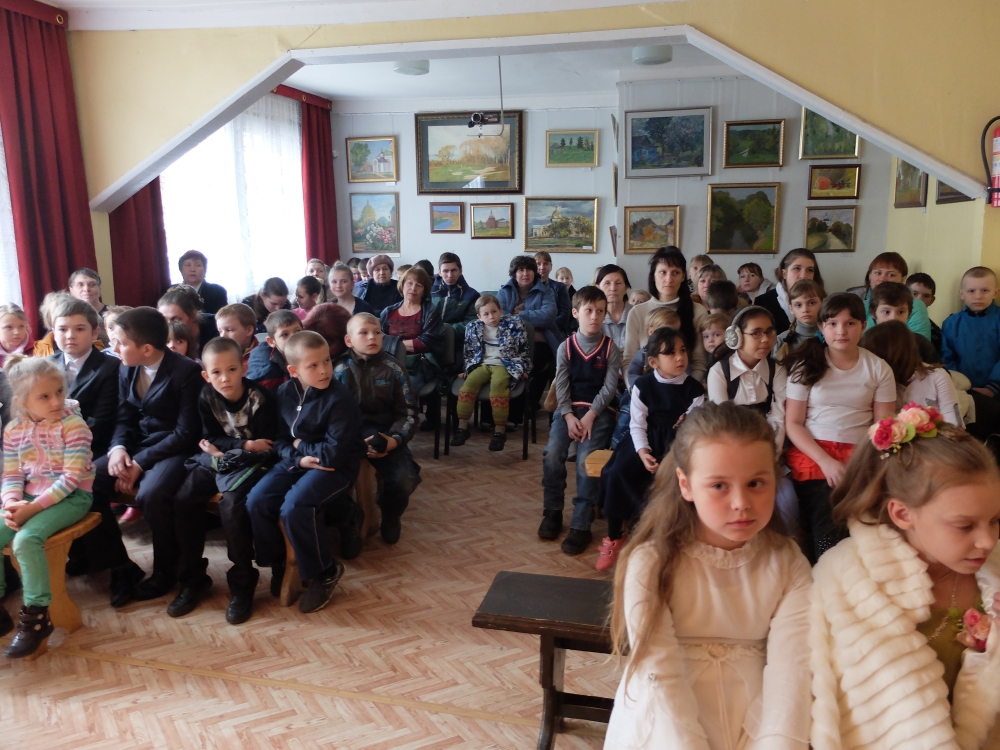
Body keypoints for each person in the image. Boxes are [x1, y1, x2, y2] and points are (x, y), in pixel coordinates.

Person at [605, 403, 811, 750]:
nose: (741, 502)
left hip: (758, 722)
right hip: (666, 725)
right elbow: (659, 671)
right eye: (719, 485)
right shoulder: (652, 562)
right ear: (685, 485)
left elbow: (793, 670)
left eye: (756, 483)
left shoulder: (788, 563)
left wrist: (774, 742)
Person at [811, 408, 1000, 746]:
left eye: (996, 520)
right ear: (902, 514)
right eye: (964, 526)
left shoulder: (994, 569)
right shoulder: (847, 583)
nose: (988, 541)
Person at [245, 331, 366, 614]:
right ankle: (280, 563)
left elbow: (333, 454)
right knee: (256, 500)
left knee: (296, 506)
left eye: (326, 361)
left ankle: (325, 571)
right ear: (293, 370)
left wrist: (300, 445)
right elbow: (278, 440)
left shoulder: (340, 398)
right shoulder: (284, 393)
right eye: (313, 365)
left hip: (335, 466)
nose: (324, 370)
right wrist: (298, 458)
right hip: (297, 462)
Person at [95, 307, 207, 612]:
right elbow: (124, 417)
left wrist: (139, 463)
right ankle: (120, 565)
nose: (114, 347)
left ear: (146, 349)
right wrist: (118, 449)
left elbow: (186, 433)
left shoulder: (185, 372)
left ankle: (167, 573)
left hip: (175, 449)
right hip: (136, 445)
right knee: (87, 481)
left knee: (152, 494)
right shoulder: (126, 367)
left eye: (121, 343)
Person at [783, 293, 896, 563]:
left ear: (864, 326)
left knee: (868, 517)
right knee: (828, 515)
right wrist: (826, 462)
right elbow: (793, 424)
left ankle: (859, 570)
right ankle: (827, 568)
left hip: (861, 454)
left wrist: (863, 465)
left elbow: (882, 428)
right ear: (821, 327)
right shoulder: (806, 365)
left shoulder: (879, 369)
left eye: (850, 323)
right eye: (833, 324)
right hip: (814, 455)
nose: (841, 331)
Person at [174, 337, 279, 623]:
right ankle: (193, 578)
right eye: (216, 372)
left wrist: (230, 451)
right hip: (220, 458)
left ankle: (243, 584)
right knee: (184, 499)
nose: (225, 378)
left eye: (231, 370)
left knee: (232, 506)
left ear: (243, 367)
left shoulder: (259, 398)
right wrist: (242, 445)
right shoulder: (205, 397)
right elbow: (209, 437)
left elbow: (267, 446)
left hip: (252, 464)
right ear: (206, 376)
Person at [0, 357, 96, 659]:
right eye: (44, 396)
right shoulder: (13, 430)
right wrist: (11, 502)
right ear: (22, 402)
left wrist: (31, 510)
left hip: (72, 497)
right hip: (29, 496)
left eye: (59, 391)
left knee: (27, 540)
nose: (56, 401)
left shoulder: (74, 425)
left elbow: (71, 479)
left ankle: (37, 617)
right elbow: (12, 474)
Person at [597, 327, 705, 569]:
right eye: (671, 353)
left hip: (677, 443)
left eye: (683, 350)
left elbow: (691, 428)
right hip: (643, 439)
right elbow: (637, 424)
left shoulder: (694, 389)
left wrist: (671, 456)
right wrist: (644, 452)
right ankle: (614, 536)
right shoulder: (643, 386)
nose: (680, 357)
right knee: (616, 473)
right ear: (654, 362)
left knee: (672, 481)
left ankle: (665, 538)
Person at [538, 287, 620, 556]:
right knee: (552, 454)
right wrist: (569, 415)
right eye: (588, 310)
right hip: (568, 412)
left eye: (600, 311)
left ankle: (581, 524)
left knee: (587, 462)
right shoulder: (566, 347)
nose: (594, 316)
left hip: (599, 413)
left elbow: (609, 389)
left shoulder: (610, 348)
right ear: (575, 313)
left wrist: (590, 416)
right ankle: (552, 511)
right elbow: (561, 386)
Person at [336, 313, 422, 543]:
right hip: (349, 437)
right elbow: (332, 415)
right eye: (363, 333)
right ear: (349, 340)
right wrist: (354, 443)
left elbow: (409, 412)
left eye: (377, 332)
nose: (372, 337)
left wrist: (394, 439)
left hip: (386, 433)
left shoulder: (394, 368)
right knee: (332, 481)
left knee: (405, 479)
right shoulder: (338, 370)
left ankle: (391, 515)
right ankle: (350, 523)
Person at [451, 294, 530, 452]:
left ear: (501, 310)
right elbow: (469, 351)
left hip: (505, 364)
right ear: (479, 316)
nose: (491, 317)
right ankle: (463, 427)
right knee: (468, 386)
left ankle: (500, 430)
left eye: (494, 311)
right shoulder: (473, 327)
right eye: (486, 314)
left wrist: (524, 369)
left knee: (498, 385)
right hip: (482, 364)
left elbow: (523, 349)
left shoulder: (514, 324)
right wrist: (466, 369)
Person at [47, 298, 120, 458]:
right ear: (54, 333)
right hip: (47, 446)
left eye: (79, 329)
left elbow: (101, 421)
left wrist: (63, 446)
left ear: (94, 332)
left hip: (90, 448)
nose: (70, 336)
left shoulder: (111, 367)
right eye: (62, 329)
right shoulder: (45, 366)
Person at [624, 247, 709, 383]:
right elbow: (629, 361)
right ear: (653, 275)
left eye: (675, 272)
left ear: (683, 276)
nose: (669, 279)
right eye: (663, 272)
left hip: (684, 389)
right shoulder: (637, 312)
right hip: (644, 390)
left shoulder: (698, 311)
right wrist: (638, 391)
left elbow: (699, 363)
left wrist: (685, 391)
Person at [860, 320, 963, 427]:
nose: (872, 363)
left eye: (874, 356)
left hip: (936, 437)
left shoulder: (937, 376)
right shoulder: (874, 383)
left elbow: (955, 425)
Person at [497, 256, 562, 419]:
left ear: (535, 272)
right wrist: (531, 326)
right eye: (521, 270)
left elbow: (549, 316)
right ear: (514, 273)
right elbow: (499, 318)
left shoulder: (545, 290)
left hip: (542, 341)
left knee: (536, 363)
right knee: (509, 364)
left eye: (529, 269)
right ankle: (514, 410)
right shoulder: (504, 291)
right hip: (511, 341)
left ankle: (528, 406)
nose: (525, 273)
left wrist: (520, 314)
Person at [941, 266, 1000, 446]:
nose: (978, 296)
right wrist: (961, 387)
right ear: (961, 294)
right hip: (964, 393)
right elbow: (947, 358)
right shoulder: (951, 323)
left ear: (996, 293)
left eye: (985, 290)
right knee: (969, 440)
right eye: (971, 291)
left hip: (996, 392)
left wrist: (992, 388)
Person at [379, 266, 447, 397]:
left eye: (419, 285)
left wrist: (394, 345)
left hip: (419, 366)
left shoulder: (430, 311)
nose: (413, 288)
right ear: (402, 285)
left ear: (424, 290)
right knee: (377, 388)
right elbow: (380, 340)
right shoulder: (388, 312)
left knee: (402, 391)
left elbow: (427, 342)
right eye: (409, 283)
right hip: (388, 363)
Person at [849, 251, 931, 340]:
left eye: (891, 274)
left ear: (903, 279)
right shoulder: (861, 304)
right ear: (870, 276)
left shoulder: (916, 305)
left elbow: (919, 343)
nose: (882, 279)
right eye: (878, 273)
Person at [754, 248, 825, 332]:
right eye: (797, 268)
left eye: (810, 270)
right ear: (784, 274)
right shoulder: (763, 302)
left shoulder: (823, 301)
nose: (803, 276)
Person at [868, 281, 939, 363]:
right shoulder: (866, 344)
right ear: (873, 313)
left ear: (909, 314)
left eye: (901, 312)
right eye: (886, 312)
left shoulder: (921, 344)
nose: (893, 318)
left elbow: (936, 369)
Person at [431, 252, 479, 368]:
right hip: (430, 339)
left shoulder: (471, 295)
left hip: (457, 342)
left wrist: (446, 331)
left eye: (453, 270)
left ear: (460, 271)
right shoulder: (429, 291)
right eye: (445, 271)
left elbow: (471, 323)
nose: (450, 275)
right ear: (439, 272)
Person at [247, 310, 302, 393]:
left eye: (298, 331)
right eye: (285, 334)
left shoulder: (313, 352)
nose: (293, 337)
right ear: (271, 341)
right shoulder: (266, 370)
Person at [158, 285, 218, 357]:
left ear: (193, 315)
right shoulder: (158, 336)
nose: (169, 325)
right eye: (164, 320)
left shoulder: (217, 328)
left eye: (175, 319)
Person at [772, 279, 824, 361]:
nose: (805, 309)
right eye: (798, 305)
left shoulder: (832, 336)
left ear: (823, 304)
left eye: (811, 303)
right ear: (791, 309)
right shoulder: (781, 340)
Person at [177, 250, 228, 314]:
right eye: (188, 265)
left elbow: (221, 317)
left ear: (205, 270)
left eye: (198, 265)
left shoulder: (217, 291)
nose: (192, 269)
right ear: (181, 269)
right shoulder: (170, 291)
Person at [534, 251, 572, 336]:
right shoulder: (528, 287)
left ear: (551, 266)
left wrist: (546, 327)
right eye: (538, 264)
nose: (542, 267)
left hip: (555, 331)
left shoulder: (560, 287)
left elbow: (564, 314)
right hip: (532, 331)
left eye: (546, 264)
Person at [596, 265, 631, 354]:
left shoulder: (637, 314)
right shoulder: (593, 316)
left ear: (626, 288)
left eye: (618, 283)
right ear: (598, 287)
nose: (613, 288)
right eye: (607, 283)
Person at [908, 271, 943, 357]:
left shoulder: (935, 332)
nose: (919, 299)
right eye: (914, 294)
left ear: (932, 300)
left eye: (926, 296)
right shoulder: (890, 318)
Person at [31, 291, 73, 357]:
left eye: (65, 312)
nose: (61, 316)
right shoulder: (40, 348)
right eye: (57, 313)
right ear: (48, 317)